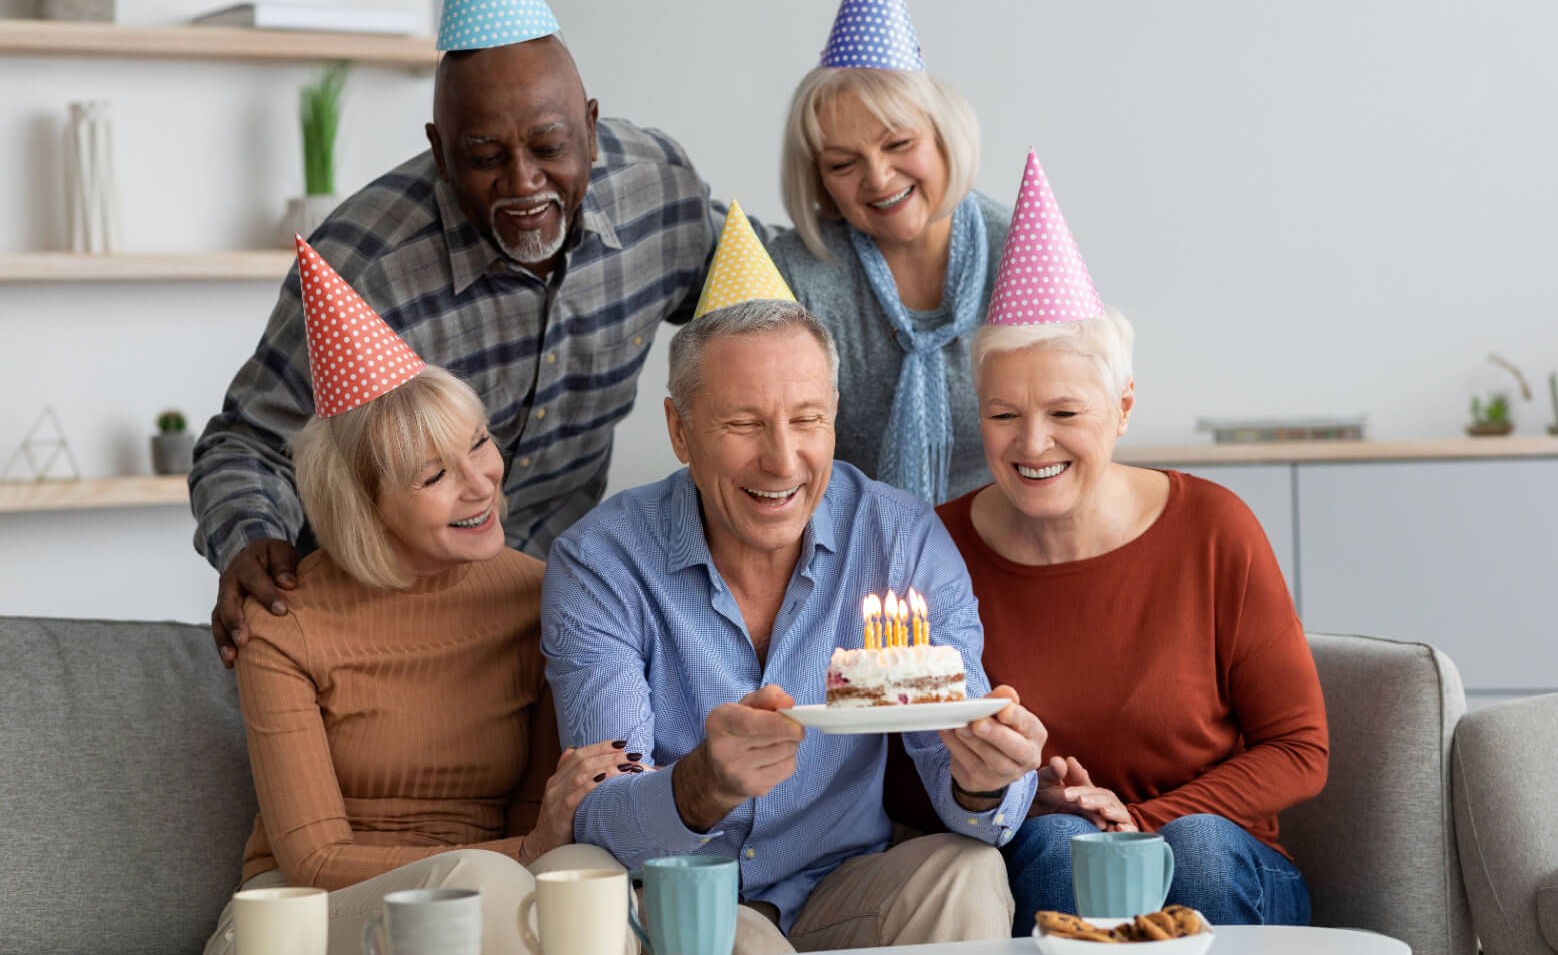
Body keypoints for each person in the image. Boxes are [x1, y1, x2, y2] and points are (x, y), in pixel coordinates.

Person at [191, 0, 769, 666]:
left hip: (560, 597)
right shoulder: (366, 264)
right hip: (381, 614)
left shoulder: (659, 195)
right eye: (484, 154)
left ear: (591, 127)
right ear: (438, 149)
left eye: (551, 145)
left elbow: (760, 309)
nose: (523, 181)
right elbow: (245, 445)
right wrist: (253, 536)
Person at [540, 235, 1051, 952]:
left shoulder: (900, 537)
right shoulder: (602, 560)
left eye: (807, 420)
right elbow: (598, 814)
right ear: (680, 431)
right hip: (684, 897)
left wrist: (984, 781)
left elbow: (966, 786)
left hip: (842, 884)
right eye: (743, 423)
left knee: (967, 870)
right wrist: (697, 787)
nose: (782, 460)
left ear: (835, 415)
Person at [936, 150, 1330, 932]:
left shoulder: (1212, 526)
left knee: (1199, 848)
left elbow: (1300, 749)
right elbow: (896, 778)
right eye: (1004, 414)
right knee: (1054, 844)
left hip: (1226, 859)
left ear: (1122, 407)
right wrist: (1007, 788)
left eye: (1065, 412)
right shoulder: (939, 545)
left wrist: (1145, 817)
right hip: (1050, 851)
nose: (1032, 442)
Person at [203, 241, 635, 955]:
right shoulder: (284, 625)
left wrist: (539, 845)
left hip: (496, 896)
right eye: (435, 474)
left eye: (480, 442)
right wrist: (520, 854)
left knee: (588, 877)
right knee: (486, 887)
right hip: (301, 919)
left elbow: (535, 814)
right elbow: (314, 857)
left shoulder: (539, 595)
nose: (480, 481)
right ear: (364, 509)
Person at [766, 0, 1005, 505]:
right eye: (843, 164)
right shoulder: (797, 273)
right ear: (818, 181)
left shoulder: (1017, 248)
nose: (879, 178)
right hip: (845, 549)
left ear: (945, 135)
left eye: (899, 144)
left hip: (1003, 539)